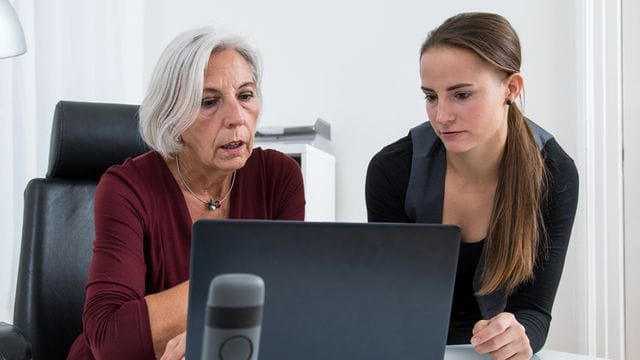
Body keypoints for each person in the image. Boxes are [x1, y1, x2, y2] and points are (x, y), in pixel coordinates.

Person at [67, 27, 305, 359]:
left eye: (246, 95)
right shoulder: (126, 188)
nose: (236, 118)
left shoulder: (279, 177)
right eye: (209, 102)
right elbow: (110, 339)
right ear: (173, 116)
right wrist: (247, 280)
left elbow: (286, 308)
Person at [365, 12, 578, 359]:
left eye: (461, 95)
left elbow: (535, 310)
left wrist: (518, 335)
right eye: (431, 96)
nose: (441, 116)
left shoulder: (555, 174)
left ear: (511, 89)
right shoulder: (392, 170)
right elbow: (390, 299)